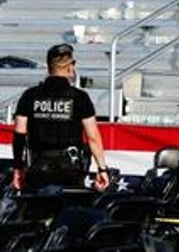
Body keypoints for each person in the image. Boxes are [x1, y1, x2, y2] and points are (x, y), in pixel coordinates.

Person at [11, 43, 110, 191]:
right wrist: (102, 169)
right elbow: (93, 137)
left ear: (48, 67)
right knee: (69, 211)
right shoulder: (80, 97)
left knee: (37, 211)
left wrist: (18, 168)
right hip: (70, 168)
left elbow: (19, 134)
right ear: (70, 67)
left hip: (38, 167)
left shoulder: (29, 96)